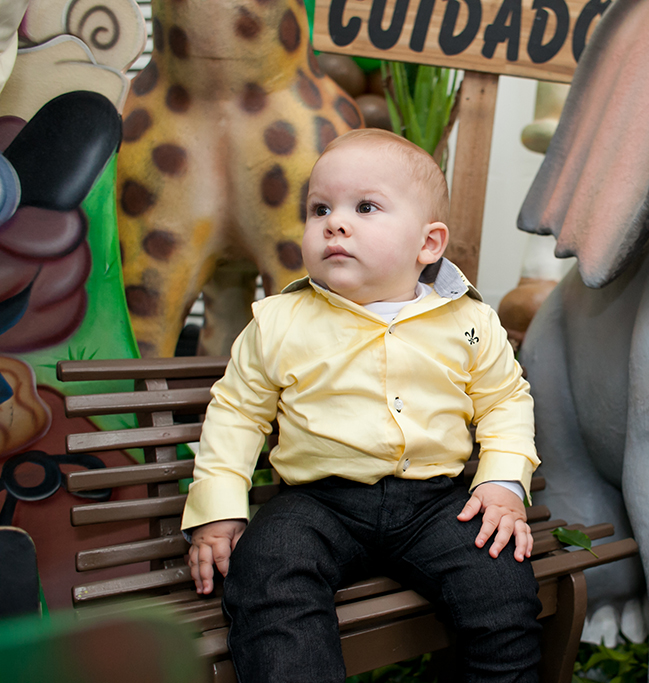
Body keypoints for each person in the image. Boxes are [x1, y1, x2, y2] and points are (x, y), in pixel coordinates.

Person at [181, 128, 542, 683]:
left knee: (499, 580)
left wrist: (500, 481)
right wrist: (220, 508)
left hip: (433, 503)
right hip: (318, 505)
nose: (335, 222)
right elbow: (237, 413)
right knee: (269, 569)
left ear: (428, 244)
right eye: (319, 208)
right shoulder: (281, 322)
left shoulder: (468, 321)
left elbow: (504, 401)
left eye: (365, 207)